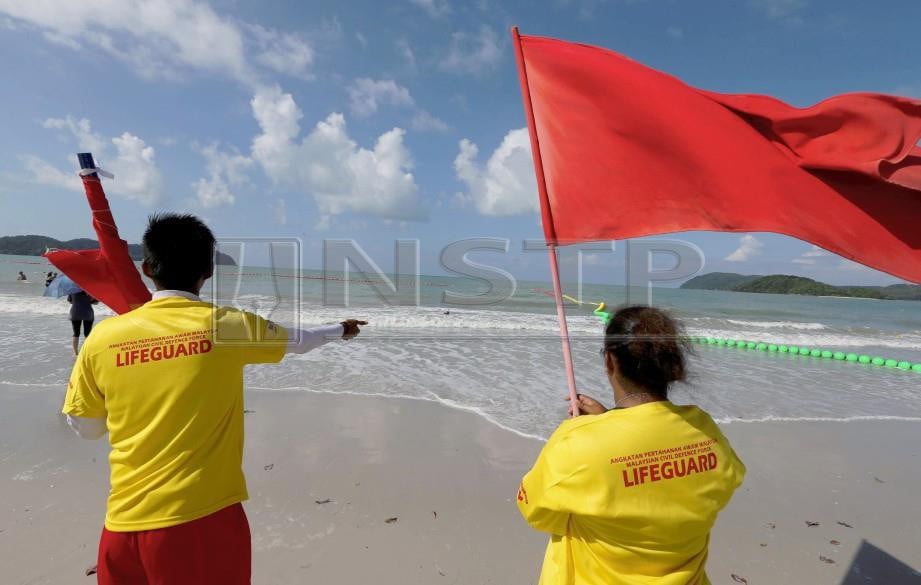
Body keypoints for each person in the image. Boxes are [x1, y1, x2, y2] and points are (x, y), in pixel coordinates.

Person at [62, 213, 367, 585]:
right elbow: (299, 340)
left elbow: (88, 429)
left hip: (121, 530)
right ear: (207, 270)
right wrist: (341, 329)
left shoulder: (102, 338)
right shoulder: (226, 326)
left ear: (146, 268)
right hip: (200, 523)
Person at [517, 305, 745, 585]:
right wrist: (608, 422)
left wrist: (594, 432)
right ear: (672, 365)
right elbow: (721, 484)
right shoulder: (704, 430)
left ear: (610, 362)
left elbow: (537, 512)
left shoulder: (577, 442)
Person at [67, 290, 96, 355]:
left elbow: (70, 301)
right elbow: (95, 302)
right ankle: (87, 352)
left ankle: (76, 353)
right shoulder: (89, 289)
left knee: (76, 333)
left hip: (75, 312)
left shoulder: (72, 289)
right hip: (87, 313)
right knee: (87, 334)